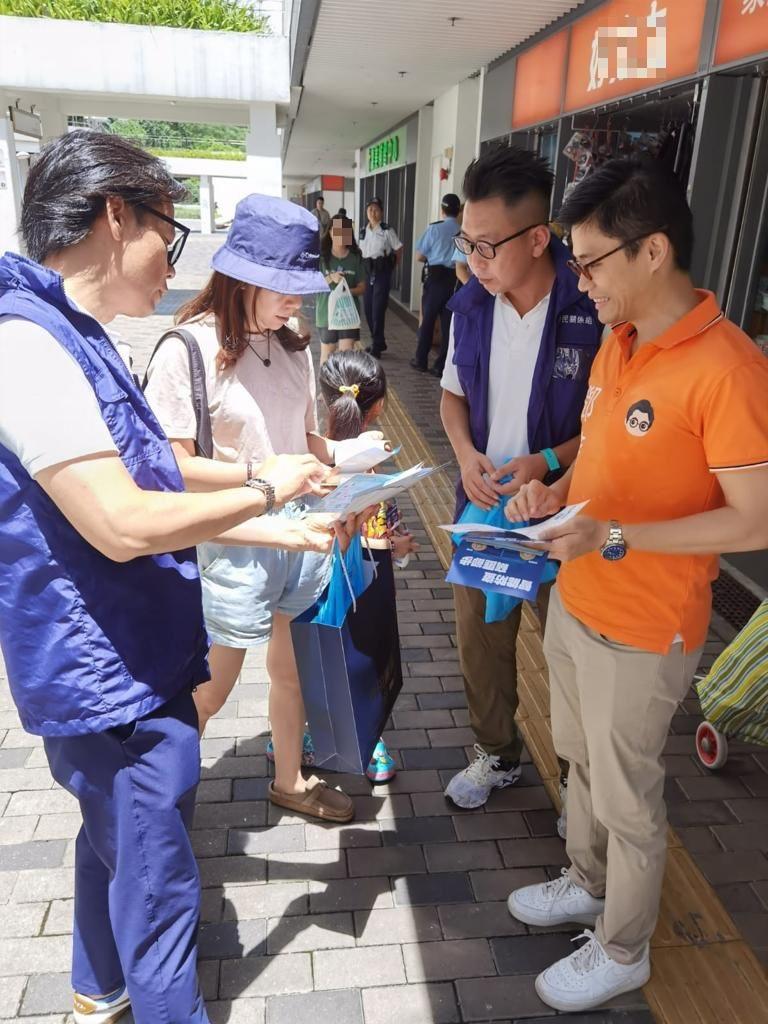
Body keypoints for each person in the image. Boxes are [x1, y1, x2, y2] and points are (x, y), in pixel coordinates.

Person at [0, 130, 334, 1024]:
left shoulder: (78, 334)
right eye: (170, 235)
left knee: (114, 847)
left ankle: (96, 988)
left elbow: (153, 463)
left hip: (129, 654)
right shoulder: (31, 348)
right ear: (117, 218)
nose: (172, 263)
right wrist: (265, 487)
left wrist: (274, 497)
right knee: (159, 890)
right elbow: (119, 521)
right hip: (105, 675)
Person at [504, 159, 768, 1013]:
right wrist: (552, 485)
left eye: (590, 263)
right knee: (580, 763)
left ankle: (624, 948)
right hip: (578, 601)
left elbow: (755, 521)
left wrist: (612, 535)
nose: (579, 283)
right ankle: (586, 883)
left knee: (629, 796)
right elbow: (604, 453)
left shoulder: (727, 369)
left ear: (653, 251)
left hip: (647, 627)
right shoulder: (619, 343)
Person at [145, 194, 363, 826]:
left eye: (302, 288)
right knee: (208, 692)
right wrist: (258, 475)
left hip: (302, 537)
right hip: (234, 539)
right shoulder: (187, 349)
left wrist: (348, 465)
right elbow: (171, 467)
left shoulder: (294, 347)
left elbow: (304, 442)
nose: (298, 302)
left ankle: (290, 779)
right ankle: (158, 814)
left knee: (293, 673)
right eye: (284, 288)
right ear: (241, 276)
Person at [439, 145, 602, 810]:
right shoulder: (472, 306)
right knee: (480, 642)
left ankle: (575, 782)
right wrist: (464, 454)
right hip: (485, 510)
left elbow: (610, 423)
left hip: (563, 515)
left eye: (487, 245)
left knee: (569, 658)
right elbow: (452, 394)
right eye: (467, 243)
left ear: (539, 238)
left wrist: (550, 462)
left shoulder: (590, 307)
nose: (474, 261)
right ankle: (497, 755)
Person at [318, 350, 419, 781]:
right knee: (361, 658)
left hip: (311, 579)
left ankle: (300, 733)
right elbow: (381, 534)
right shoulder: (370, 457)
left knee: (315, 657)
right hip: (365, 581)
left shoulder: (310, 450)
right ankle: (365, 741)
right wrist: (401, 547)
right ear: (377, 407)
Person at [411, 192, 461, 376]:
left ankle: (421, 360)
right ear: (459, 211)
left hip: (435, 277)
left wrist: (433, 256)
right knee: (449, 325)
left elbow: (419, 256)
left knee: (428, 321)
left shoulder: (434, 229)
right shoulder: (463, 231)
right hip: (455, 279)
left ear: (442, 210)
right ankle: (441, 366)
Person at [316, 214, 366, 364]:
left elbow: (362, 287)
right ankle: (326, 388)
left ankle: (344, 388)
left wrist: (345, 292)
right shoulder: (322, 258)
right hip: (326, 315)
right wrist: (331, 278)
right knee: (327, 355)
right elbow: (313, 283)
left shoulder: (355, 258)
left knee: (346, 356)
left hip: (348, 314)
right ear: (330, 232)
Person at [359, 196, 402, 357]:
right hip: (367, 271)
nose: (373, 212)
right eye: (370, 209)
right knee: (368, 308)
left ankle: (377, 345)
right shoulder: (363, 231)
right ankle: (377, 340)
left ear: (381, 212)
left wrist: (392, 267)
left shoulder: (386, 230)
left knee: (378, 309)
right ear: (366, 212)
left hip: (382, 272)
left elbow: (398, 248)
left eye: (376, 209)